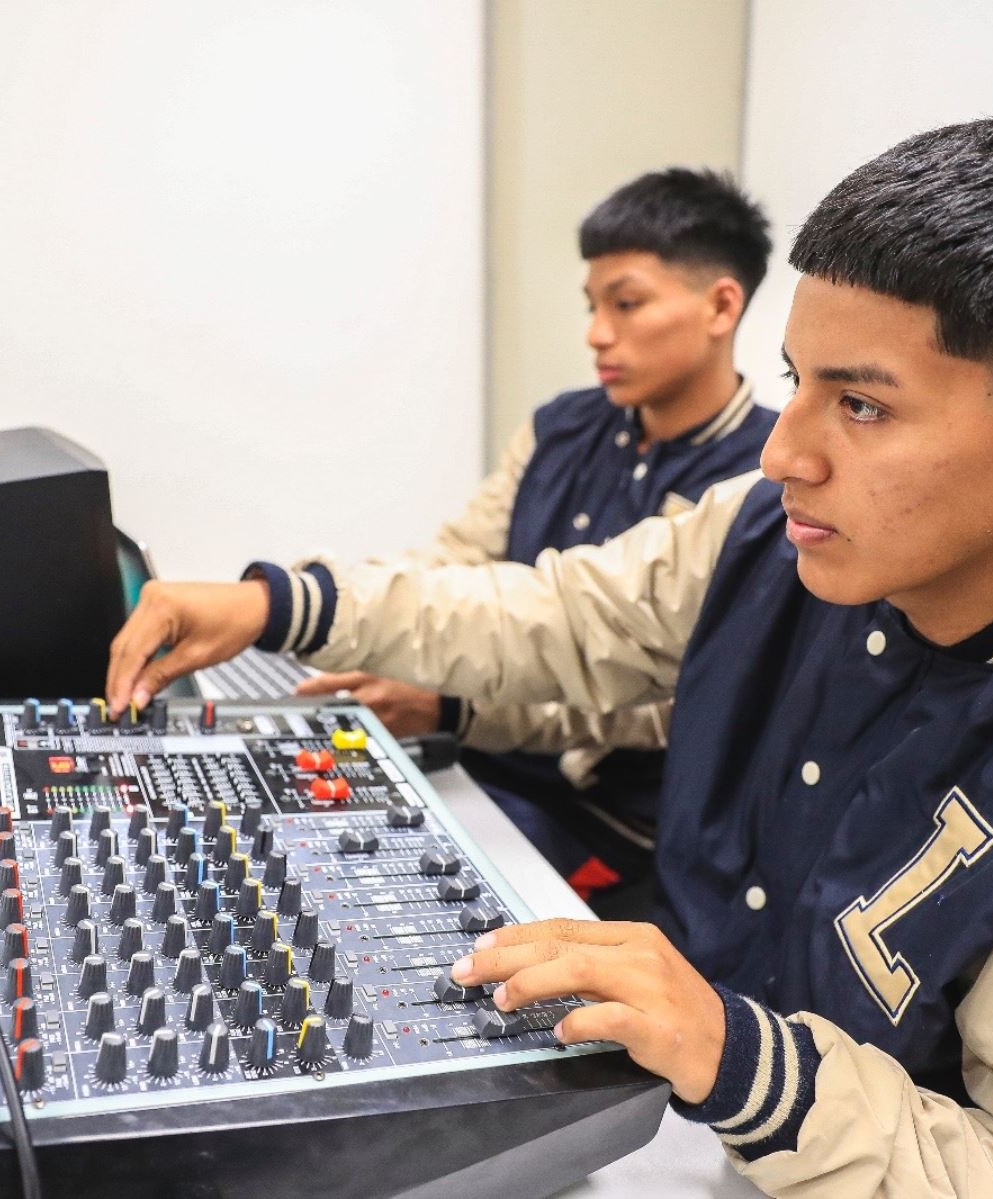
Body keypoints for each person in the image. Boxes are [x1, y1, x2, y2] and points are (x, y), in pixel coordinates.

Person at [106, 117, 993, 1194]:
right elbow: (556, 617)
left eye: (861, 406)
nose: (785, 455)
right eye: (796, 386)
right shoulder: (775, 534)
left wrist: (741, 1055)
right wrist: (282, 603)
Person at [297, 168, 775, 909]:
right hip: (474, 761)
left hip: (608, 821)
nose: (597, 334)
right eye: (592, 306)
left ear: (721, 305)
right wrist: (332, 613)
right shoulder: (563, 427)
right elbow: (455, 559)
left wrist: (452, 706)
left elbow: (672, 703)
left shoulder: (763, 481)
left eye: (627, 303)